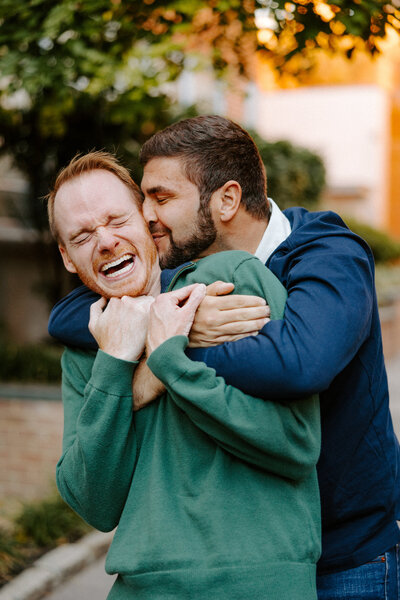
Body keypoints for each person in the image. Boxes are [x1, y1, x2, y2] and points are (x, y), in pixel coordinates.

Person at [49, 116, 400, 600]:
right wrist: (148, 328)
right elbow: (69, 316)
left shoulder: (324, 256)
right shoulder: (147, 304)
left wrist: (171, 347)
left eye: (160, 199)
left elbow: (303, 363)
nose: (147, 217)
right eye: (82, 235)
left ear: (227, 200)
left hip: (348, 551)